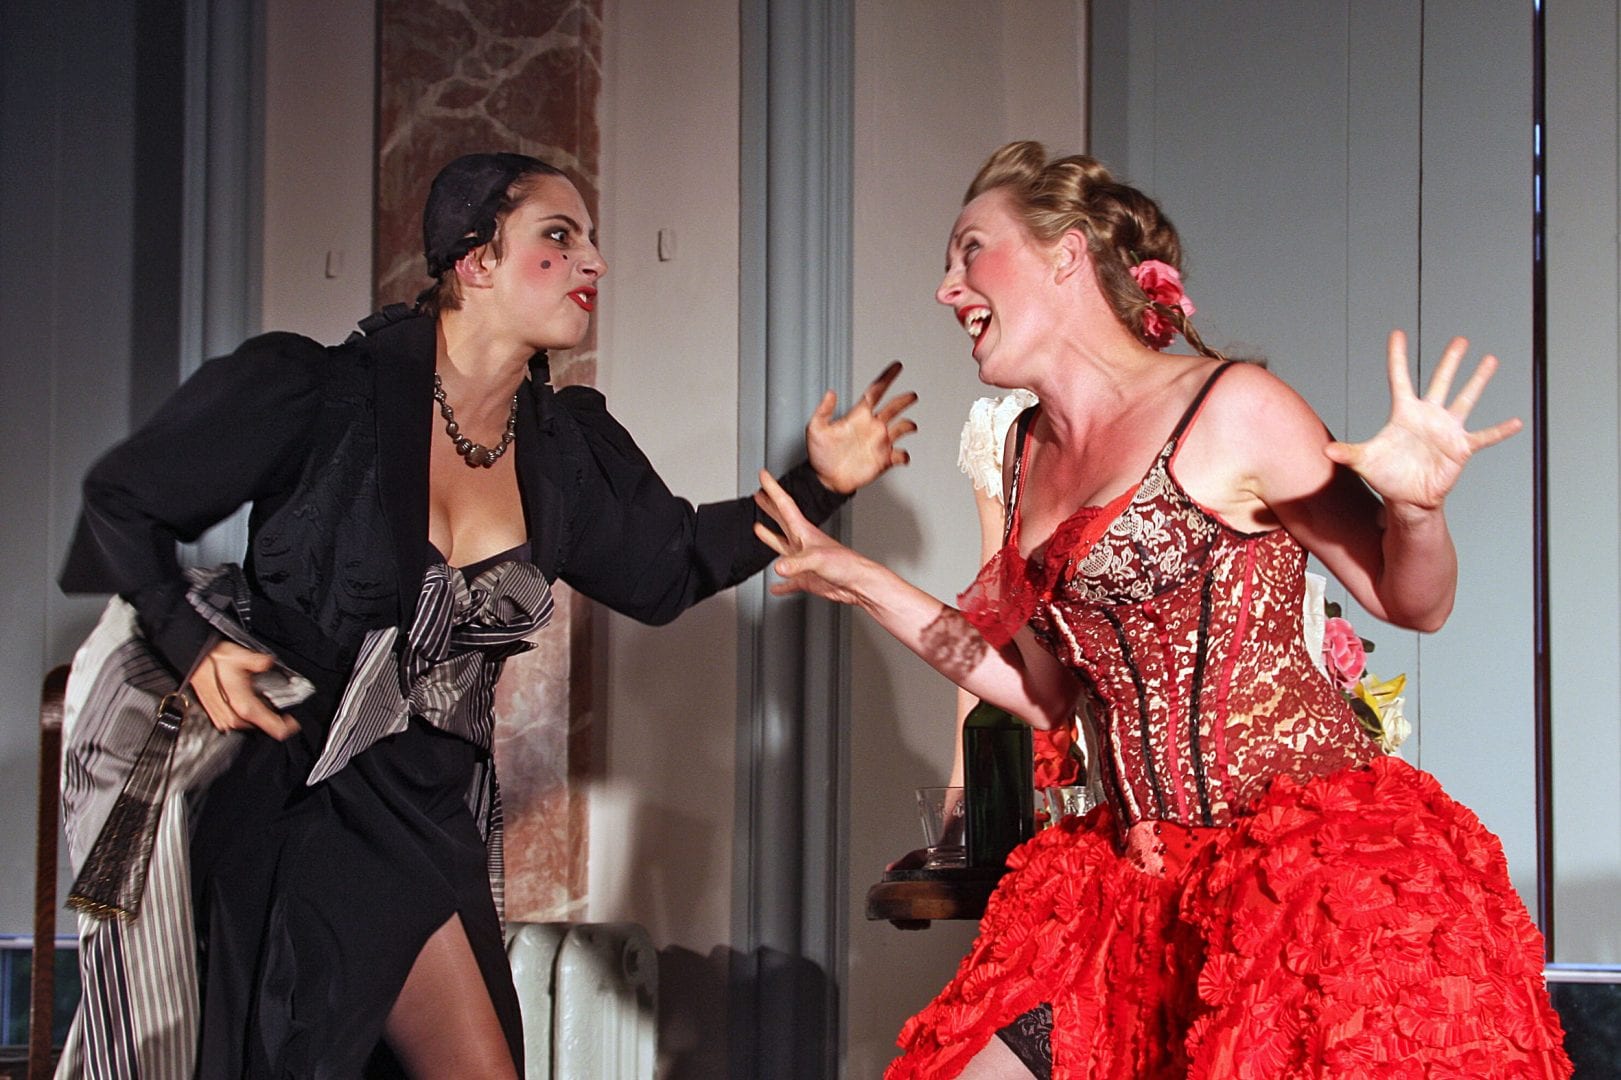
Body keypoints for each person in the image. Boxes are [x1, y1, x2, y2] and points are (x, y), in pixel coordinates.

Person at [57, 151, 917, 1078]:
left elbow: (670, 569)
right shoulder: (320, 393)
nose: (593, 261)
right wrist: (190, 644)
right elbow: (122, 500)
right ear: (474, 261)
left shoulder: (561, 450)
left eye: (592, 240)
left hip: (427, 810)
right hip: (298, 792)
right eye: (559, 236)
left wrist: (817, 484)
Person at [754, 142, 1570, 1078]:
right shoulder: (1024, 452)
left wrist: (1417, 512)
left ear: (1065, 253)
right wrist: (856, 578)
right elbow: (1043, 693)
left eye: (970, 249)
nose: (947, 288)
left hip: (1306, 879)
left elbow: (1411, 601)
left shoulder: (1231, 406)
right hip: (1133, 894)